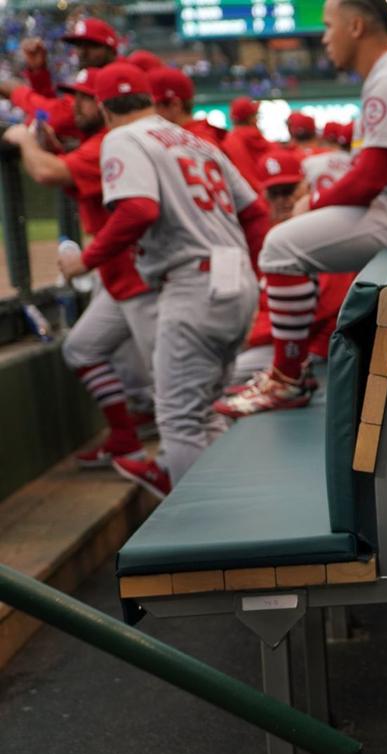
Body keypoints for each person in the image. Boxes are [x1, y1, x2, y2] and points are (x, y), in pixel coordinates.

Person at [213, 0, 387, 417]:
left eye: (329, 26)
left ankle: (287, 380)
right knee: (288, 247)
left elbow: (367, 181)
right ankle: (293, 370)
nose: (324, 37)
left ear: (357, 26)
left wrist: (312, 206)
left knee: (280, 246)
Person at [58, 63, 270, 498]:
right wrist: (252, 271)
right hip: (235, 283)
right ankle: (231, 518)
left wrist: (87, 261)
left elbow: (138, 211)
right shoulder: (192, 138)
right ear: (149, 100)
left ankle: (203, 534)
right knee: (207, 414)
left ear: (103, 106)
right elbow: (255, 211)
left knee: (178, 420)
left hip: (193, 284)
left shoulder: (121, 137)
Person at [3, 65, 158, 469]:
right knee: (81, 348)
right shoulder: (106, 142)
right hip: (124, 279)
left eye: (85, 97)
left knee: (176, 390)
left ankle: (188, 488)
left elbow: (47, 173)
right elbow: (72, 177)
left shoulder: (112, 141)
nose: (76, 105)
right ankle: (126, 439)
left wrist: (23, 141)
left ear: (104, 104)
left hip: (145, 279)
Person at [228, 150, 355, 387]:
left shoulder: (318, 233)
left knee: (218, 380)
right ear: (264, 196)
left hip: (300, 348)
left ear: (306, 189)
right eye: (275, 194)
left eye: (289, 191)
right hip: (269, 341)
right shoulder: (267, 234)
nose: (283, 201)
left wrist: (249, 337)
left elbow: (323, 312)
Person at [0, 18, 119, 139]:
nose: (83, 52)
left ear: (111, 50)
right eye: (79, 45)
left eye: (92, 45)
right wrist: (39, 73)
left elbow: (58, 117)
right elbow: (54, 115)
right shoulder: (93, 75)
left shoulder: (117, 77)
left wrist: (17, 92)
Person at [148, 66, 225, 145]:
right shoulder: (193, 133)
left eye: (153, 106)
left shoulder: (198, 141)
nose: (148, 113)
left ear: (175, 105)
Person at [220, 96, 271, 190]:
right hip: (272, 195)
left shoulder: (227, 141)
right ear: (251, 118)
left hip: (248, 199)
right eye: (255, 115)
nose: (257, 119)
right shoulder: (266, 142)